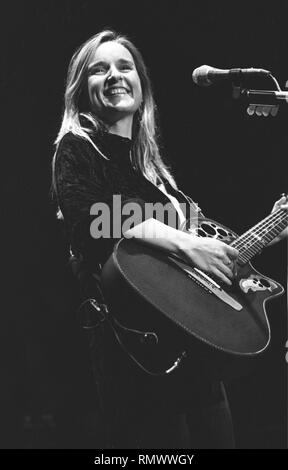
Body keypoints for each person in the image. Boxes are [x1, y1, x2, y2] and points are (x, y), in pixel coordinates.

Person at [52, 29, 288, 449]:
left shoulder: (162, 183)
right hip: (139, 354)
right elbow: (90, 218)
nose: (114, 75)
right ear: (81, 89)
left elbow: (207, 257)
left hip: (196, 347)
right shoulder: (77, 148)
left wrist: (271, 228)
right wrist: (186, 244)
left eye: (125, 67)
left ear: (142, 88)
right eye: (99, 69)